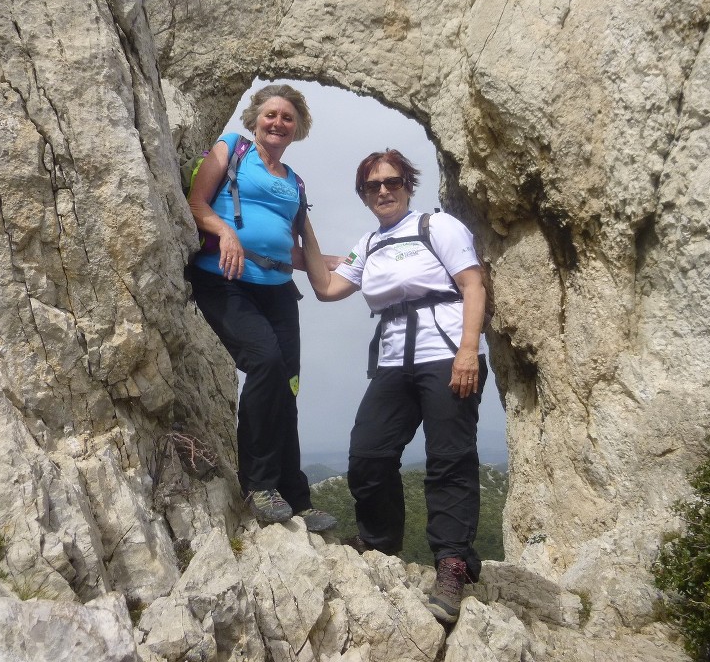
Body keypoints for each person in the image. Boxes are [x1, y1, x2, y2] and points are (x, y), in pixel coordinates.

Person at [299, 148, 488, 624]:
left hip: (445, 355)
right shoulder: (368, 244)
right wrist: (301, 223)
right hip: (391, 362)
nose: (383, 190)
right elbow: (327, 288)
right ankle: (380, 543)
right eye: (372, 186)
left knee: (449, 459)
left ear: (408, 184)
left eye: (392, 181)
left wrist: (469, 349)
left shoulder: (436, 227)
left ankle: (451, 565)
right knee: (368, 454)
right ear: (364, 196)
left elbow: (472, 284)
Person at [186, 83, 336, 533]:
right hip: (224, 277)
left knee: (286, 386)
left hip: (278, 288)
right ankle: (259, 485)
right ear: (255, 119)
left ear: (298, 128)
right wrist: (225, 232)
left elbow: (290, 250)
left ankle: (295, 495)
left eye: (288, 118)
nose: (278, 123)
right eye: (271, 114)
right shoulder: (232, 148)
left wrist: (335, 263)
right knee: (266, 362)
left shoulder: (295, 182)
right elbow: (196, 202)